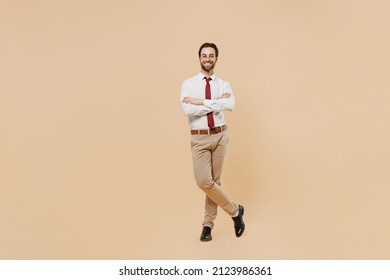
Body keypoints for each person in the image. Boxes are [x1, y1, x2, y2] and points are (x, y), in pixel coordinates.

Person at [180, 42, 245, 242]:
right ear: (199, 58)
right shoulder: (188, 84)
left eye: (211, 55)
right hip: (199, 137)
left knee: (214, 182)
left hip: (220, 136)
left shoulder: (223, 84)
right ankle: (235, 211)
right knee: (204, 182)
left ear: (216, 58)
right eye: (204, 55)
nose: (207, 59)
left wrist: (201, 102)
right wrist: (217, 103)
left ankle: (207, 225)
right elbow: (188, 110)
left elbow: (230, 105)